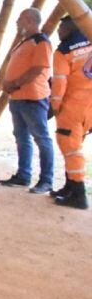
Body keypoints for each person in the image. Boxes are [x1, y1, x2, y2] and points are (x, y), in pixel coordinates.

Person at [0, 7, 54, 194]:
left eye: (20, 19)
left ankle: (46, 180)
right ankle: (23, 175)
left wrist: (15, 83)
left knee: (41, 138)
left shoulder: (41, 42)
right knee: (22, 137)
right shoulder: (25, 42)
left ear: (30, 21)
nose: (17, 22)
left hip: (33, 97)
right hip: (18, 98)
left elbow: (38, 69)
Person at [49, 15, 92, 209]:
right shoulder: (89, 43)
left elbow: (60, 82)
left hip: (72, 106)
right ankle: (70, 187)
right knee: (74, 145)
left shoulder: (64, 51)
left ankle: (78, 193)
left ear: (70, 28)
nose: (59, 32)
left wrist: (55, 107)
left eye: (61, 27)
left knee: (70, 147)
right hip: (88, 107)